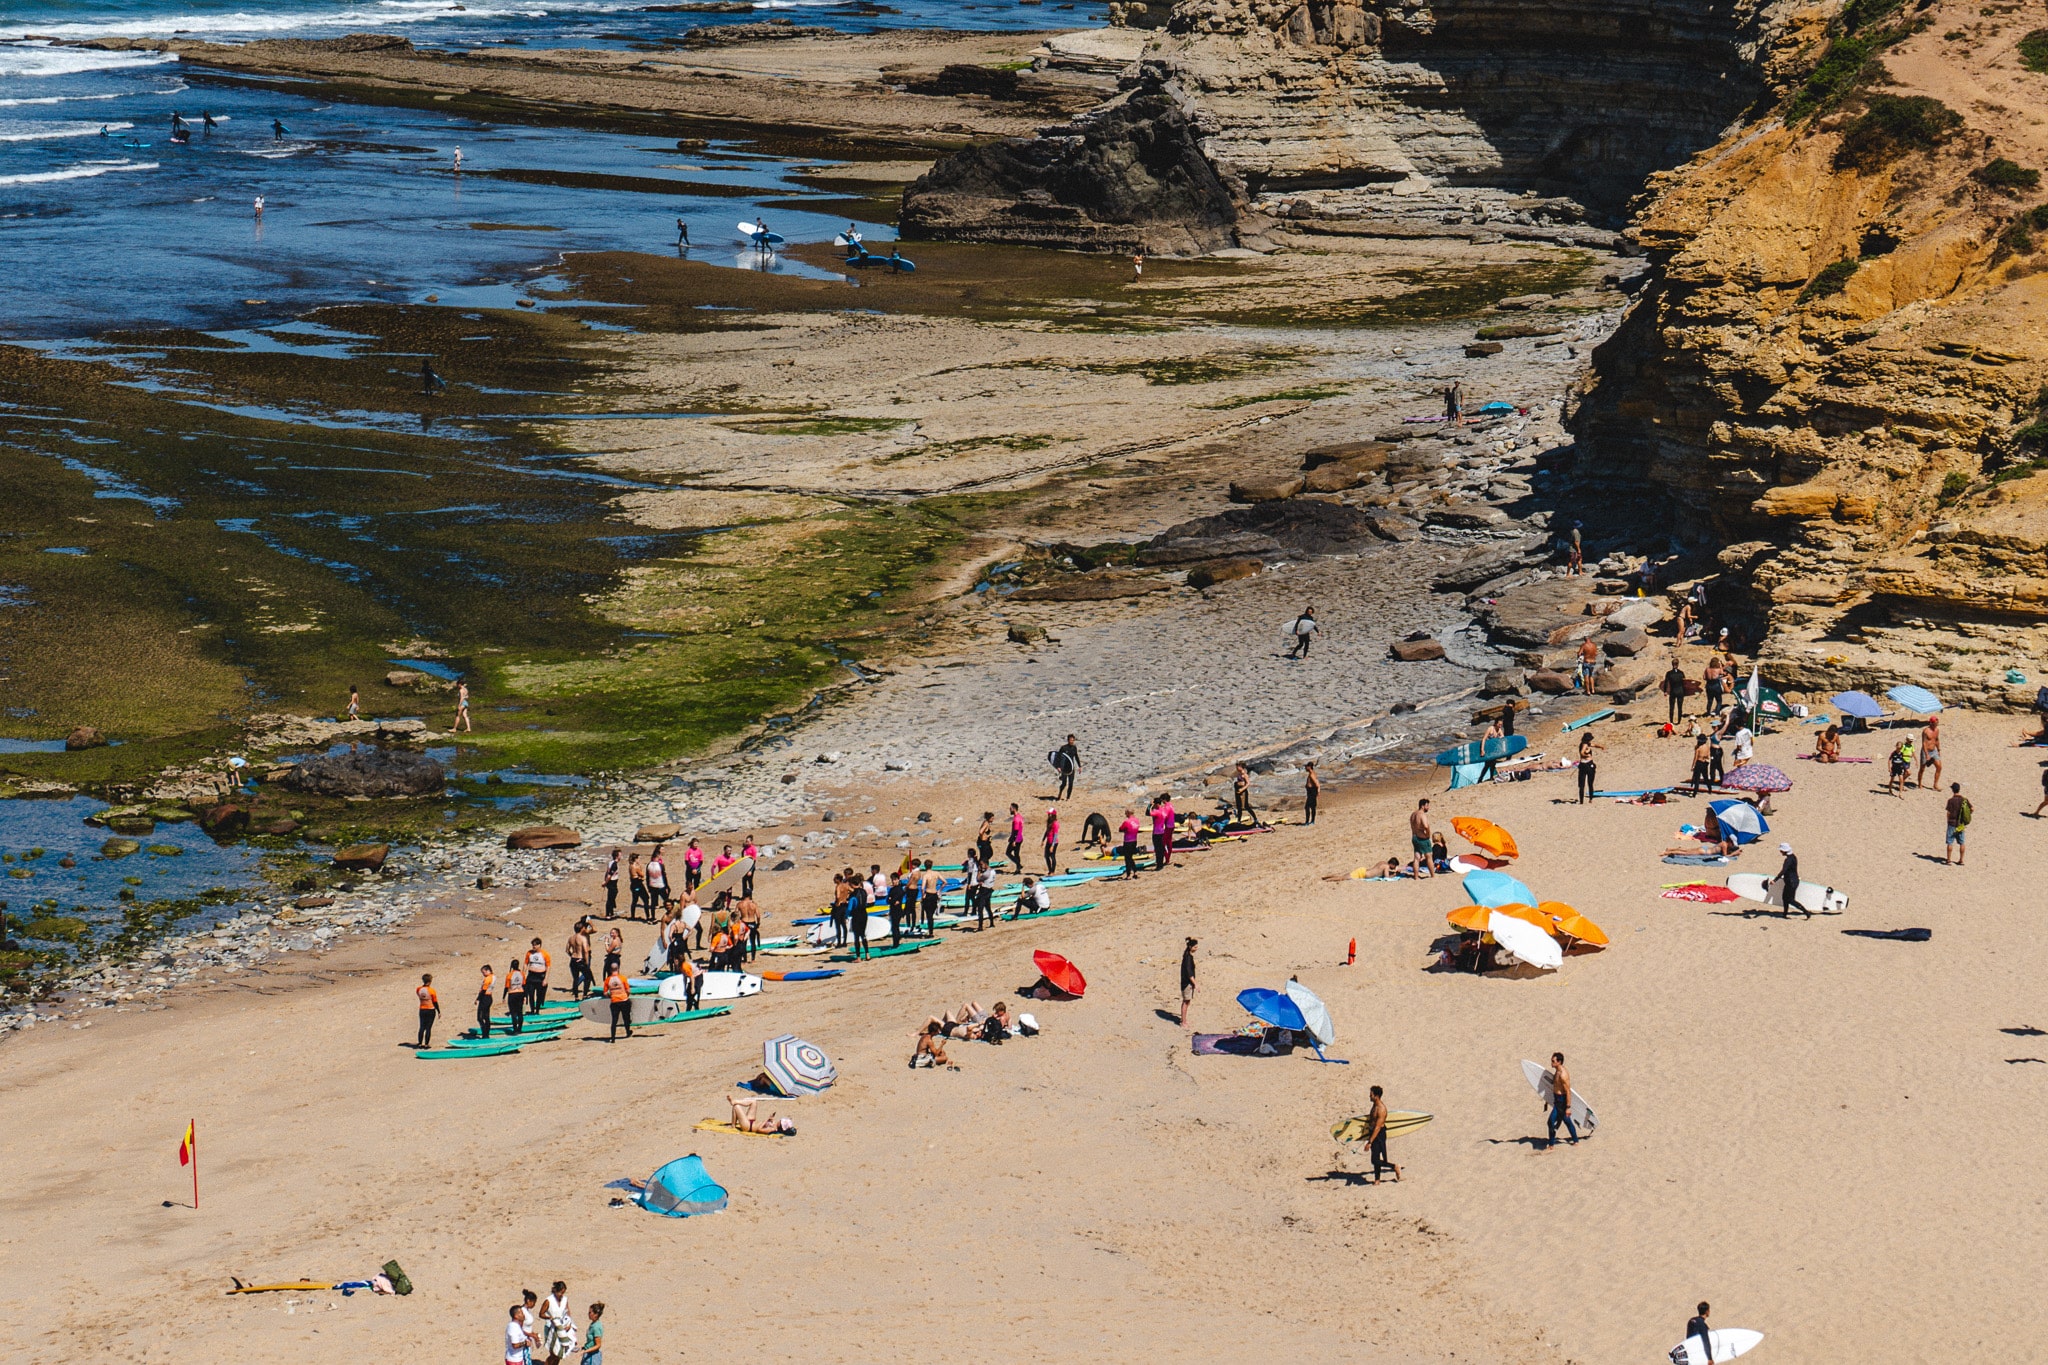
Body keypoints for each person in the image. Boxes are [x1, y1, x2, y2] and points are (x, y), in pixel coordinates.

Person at [1366, 1085, 1401, 1183]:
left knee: (1374, 1160)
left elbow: (1377, 1127)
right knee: (1375, 1157)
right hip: (1373, 1132)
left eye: (1371, 1095)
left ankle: (1394, 1166)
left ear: (1376, 1096)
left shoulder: (1381, 1109)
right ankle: (1377, 1179)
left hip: (1379, 1135)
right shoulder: (1375, 1105)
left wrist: (1370, 1142)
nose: (1369, 1096)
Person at [1544, 1052, 1579, 1148]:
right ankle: (1576, 1140)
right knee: (1567, 1121)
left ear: (1559, 1062)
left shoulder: (1563, 1075)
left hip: (1561, 1101)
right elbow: (1554, 1086)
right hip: (1556, 1099)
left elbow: (1568, 1091)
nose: (1551, 1062)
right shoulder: (1557, 1071)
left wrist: (1568, 1107)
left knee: (1551, 1121)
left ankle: (1551, 1145)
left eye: (1553, 1061)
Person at [540, 1283, 575, 1365]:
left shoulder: (565, 1300)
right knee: (553, 1354)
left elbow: (567, 1312)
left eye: (563, 1293)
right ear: (556, 1291)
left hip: (562, 1328)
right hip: (551, 1328)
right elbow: (541, 1314)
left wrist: (569, 1322)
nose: (562, 1295)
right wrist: (549, 1318)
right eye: (560, 1293)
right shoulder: (548, 1301)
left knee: (559, 1353)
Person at [728, 1094, 795, 1134]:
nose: (780, 1120)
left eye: (781, 1121)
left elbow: (759, 1129)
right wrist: (771, 1119)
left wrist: (766, 1120)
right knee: (754, 1102)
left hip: (748, 1127)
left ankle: (733, 1125)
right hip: (752, 1121)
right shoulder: (774, 1124)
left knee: (736, 1107)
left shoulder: (772, 1129)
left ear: (781, 1125)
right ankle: (734, 1101)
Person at [1407, 799, 1435, 879]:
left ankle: (1416, 877)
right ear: (1423, 806)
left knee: (1416, 857)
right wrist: (1428, 833)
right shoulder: (1422, 814)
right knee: (1429, 856)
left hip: (1414, 837)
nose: (1428, 808)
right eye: (1427, 806)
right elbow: (1425, 826)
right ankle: (1433, 875)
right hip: (1422, 838)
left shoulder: (1413, 814)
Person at [604, 964, 631, 1041]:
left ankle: (613, 1038)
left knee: (614, 1020)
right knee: (626, 1018)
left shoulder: (608, 980)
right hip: (624, 1000)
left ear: (610, 970)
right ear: (618, 969)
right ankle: (628, 1032)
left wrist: (611, 996)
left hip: (614, 1001)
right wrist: (626, 996)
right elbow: (628, 990)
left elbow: (605, 993)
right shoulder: (622, 978)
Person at [1945, 782, 1970, 866]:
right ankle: (1961, 860)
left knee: (1950, 842)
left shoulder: (1950, 800)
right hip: (1961, 824)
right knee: (1962, 842)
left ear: (1952, 790)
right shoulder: (1964, 800)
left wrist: (1948, 820)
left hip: (1952, 823)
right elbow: (1972, 808)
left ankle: (1948, 860)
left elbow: (1948, 812)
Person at [1575, 730, 1603, 804]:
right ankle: (1590, 799)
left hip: (1582, 765)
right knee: (1589, 783)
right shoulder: (1584, 745)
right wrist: (1586, 755)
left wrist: (1601, 746)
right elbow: (1582, 752)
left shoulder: (1584, 744)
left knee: (1582, 784)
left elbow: (1594, 745)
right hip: (1588, 765)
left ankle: (1581, 801)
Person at [567, 920, 593, 999]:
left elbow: (567, 950)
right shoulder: (582, 938)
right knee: (588, 978)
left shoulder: (571, 938)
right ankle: (584, 994)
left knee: (575, 979)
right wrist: (586, 961)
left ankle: (576, 996)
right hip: (580, 959)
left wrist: (572, 956)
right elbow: (585, 951)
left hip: (573, 960)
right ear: (581, 929)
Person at [848, 873, 870, 960]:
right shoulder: (864, 892)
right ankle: (867, 954)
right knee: (863, 935)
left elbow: (850, 908)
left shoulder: (853, 895)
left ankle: (858, 957)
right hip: (864, 914)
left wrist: (847, 915)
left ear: (852, 884)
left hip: (856, 915)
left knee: (856, 936)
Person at [1918, 714, 1943, 791]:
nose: (1937, 724)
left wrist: (1938, 750)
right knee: (1922, 768)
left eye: (1937, 723)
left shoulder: (1937, 730)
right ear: (1931, 723)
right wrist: (1926, 754)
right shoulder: (1926, 731)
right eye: (1936, 723)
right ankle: (1919, 783)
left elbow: (1937, 740)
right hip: (1926, 751)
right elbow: (1924, 743)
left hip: (1933, 750)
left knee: (1939, 767)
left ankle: (1935, 785)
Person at [414, 973, 439, 1048]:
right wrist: (439, 1011)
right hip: (430, 1009)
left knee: (422, 1027)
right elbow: (435, 1002)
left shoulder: (418, 989)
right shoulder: (432, 991)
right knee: (428, 1027)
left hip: (422, 1009)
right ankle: (426, 1044)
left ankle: (420, 1043)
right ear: (430, 981)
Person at [1152, 792, 1176, 869]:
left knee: (1163, 843)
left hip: (1167, 827)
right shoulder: (1171, 805)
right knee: (1169, 842)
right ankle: (1168, 859)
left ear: (1164, 800)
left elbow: (1163, 816)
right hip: (1172, 825)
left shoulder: (1167, 807)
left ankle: (1166, 859)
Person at [1118, 807, 1142, 879]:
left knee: (1127, 858)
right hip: (1134, 840)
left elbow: (1120, 829)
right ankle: (1135, 871)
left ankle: (1129, 874)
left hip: (1128, 841)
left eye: (1126, 813)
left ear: (1128, 813)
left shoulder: (1127, 822)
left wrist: (1125, 830)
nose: (1125, 814)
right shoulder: (1137, 821)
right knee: (1130, 857)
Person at [1054, 734, 1080, 801]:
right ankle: (1060, 793)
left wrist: (1080, 766)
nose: (1072, 741)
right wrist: (1058, 767)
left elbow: (1076, 757)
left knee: (1071, 783)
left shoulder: (1074, 748)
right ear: (1068, 740)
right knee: (1064, 783)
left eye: (1073, 740)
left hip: (1071, 768)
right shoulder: (1064, 748)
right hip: (1064, 768)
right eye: (1071, 740)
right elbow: (1058, 757)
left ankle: (1068, 798)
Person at [504, 958, 526, 1035]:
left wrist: (504, 997)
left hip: (512, 994)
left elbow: (506, 987)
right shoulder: (522, 974)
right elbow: (524, 985)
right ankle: (520, 1029)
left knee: (513, 1013)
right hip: (520, 993)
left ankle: (515, 1029)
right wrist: (525, 996)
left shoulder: (509, 975)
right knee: (520, 1012)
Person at [1179, 936, 1197, 1027]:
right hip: (1186, 983)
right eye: (1195, 947)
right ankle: (1183, 1022)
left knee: (1187, 1001)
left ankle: (1184, 1019)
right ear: (1190, 947)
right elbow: (1190, 974)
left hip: (1186, 982)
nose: (1196, 949)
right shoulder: (1188, 958)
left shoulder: (1187, 954)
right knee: (1186, 1002)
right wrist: (1195, 984)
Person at [1688, 729, 1713, 795]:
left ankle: (1695, 793)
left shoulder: (1698, 748)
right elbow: (1708, 755)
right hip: (1705, 762)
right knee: (1706, 777)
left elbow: (1695, 758)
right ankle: (1710, 789)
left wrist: (1693, 766)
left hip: (1699, 762)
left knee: (1697, 778)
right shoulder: (1707, 747)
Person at [475, 962, 495, 1039]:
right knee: (486, 1017)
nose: (483, 974)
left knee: (480, 1017)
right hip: (489, 997)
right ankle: (486, 1034)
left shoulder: (488, 979)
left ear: (488, 971)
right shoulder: (493, 977)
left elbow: (483, 990)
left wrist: (478, 999)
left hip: (485, 997)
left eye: (484, 972)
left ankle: (485, 1033)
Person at [830, 871, 850, 948]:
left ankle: (839, 943)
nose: (833, 880)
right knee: (844, 925)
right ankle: (844, 942)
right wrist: (846, 899)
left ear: (838, 879)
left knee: (838, 925)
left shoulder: (838, 886)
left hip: (838, 907)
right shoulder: (846, 885)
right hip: (845, 905)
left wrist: (838, 902)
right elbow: (852, 890)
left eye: (835, 878)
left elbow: (838, 896)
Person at [646, 846, 668, 910]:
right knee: (665, 897)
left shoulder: (649, 864)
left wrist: (648, 886)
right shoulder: (658, 865)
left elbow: (647, 877)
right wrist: (666, 886)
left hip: (652, 884)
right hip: (659, 883)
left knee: (654, 899)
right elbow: (663, 876)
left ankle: (653, 914)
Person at [627, 853, 648, 918]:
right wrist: (640, 866)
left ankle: (632, 915)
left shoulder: (630, 866)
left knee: (635, 900)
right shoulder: (635, 867)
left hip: (633, 884)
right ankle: (648, 916)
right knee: (646, 899)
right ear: (636, 859)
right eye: (638, 858)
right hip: (638, 884)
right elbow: (642, 874)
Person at [1007, 802, 1025, 873]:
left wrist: (1014, 840)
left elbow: (1016, 831)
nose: (1010, 810)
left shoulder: (1016, 819)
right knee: (1016, 853)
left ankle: (1018, 864)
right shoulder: (1019, 816)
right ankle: (1018, 869)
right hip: (1020, 838)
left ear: (1014, 809)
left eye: (1010, 809)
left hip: (1016, 839)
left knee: (1008, 852)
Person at [602, 848, 620, 918]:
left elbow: (607, 872)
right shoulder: (614, 864)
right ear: (617, 856)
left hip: (611, 882)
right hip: (612, 882)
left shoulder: (610, 862)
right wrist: (605, 882)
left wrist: (605, 880)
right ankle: (607, 914)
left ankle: (611, 912)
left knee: (612, 896)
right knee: (610, 898)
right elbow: (609, 875)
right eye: (620, 855)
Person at [1042, 807, 1060, 876]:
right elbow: (1047, 831)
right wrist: (1043, 840)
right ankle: (1050, 870)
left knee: (1052, 857)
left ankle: (1053, 871)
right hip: (1048, 841)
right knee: (1046, 856)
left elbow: (1055, 835)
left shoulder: (1055, 823)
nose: (1049, 815)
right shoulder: (1049, 822)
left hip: (1054, 842)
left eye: (1050, 814)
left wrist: (1052, 845)